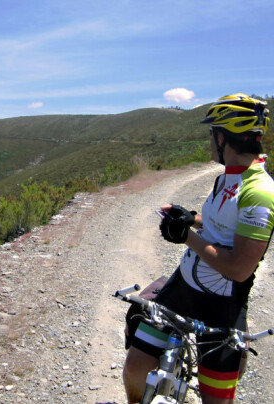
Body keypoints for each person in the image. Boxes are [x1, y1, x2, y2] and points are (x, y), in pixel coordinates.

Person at [122, 93, 273, 404]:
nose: (209, 142)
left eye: (211, 134)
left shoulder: (260, 193)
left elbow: (238, 267)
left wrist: (185, 237)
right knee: (136, 367)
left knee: (215, 399)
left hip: (222, 306)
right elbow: (221, 225)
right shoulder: (227, 179)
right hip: (183, 286)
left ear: (222, 137)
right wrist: (190, 219)